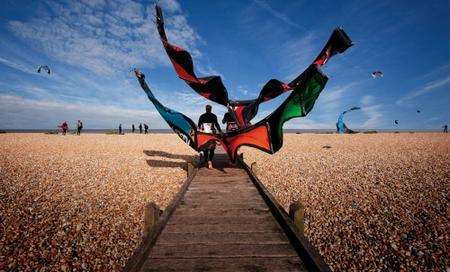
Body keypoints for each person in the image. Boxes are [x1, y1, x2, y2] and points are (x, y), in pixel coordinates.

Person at [198, 105, 222, 169]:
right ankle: (210, 161)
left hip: (205, 133)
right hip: (212, 134)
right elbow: (216, 124)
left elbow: (199, 125)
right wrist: (220, 131)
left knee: (205, 148)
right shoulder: (214, 116)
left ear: (206, 109)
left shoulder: (202, 116)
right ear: (211, 109)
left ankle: (206, 160)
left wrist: (198, 133)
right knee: (212, 149)